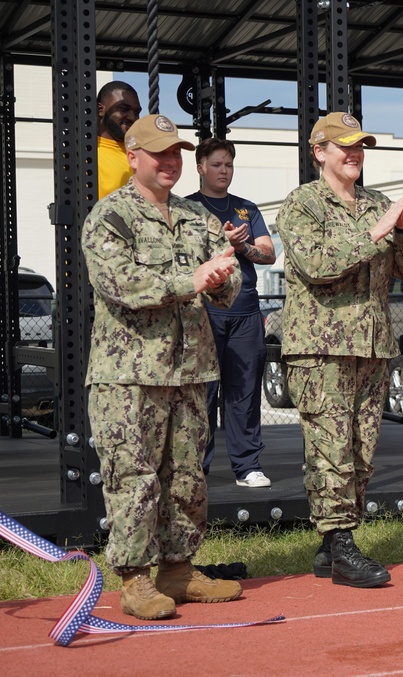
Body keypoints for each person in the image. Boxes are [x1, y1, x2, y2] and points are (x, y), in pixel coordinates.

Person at [82, 114, 244, 620]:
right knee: (135, 477)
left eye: (176, 153)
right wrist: (192, 279)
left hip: (190, 369)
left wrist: (219, 280)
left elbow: (228, 289)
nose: (170, 162)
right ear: (133, 157)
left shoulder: (198, 219)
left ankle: (178, 569)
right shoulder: (109, 217)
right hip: (129, 374)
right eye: (159, 153)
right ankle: (134, 580)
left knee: (187, 477)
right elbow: (122, 285)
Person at [274, 112, 403, 588]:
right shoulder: (303, 204)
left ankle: (329, 546)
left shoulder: (378, 204)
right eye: (345, 146)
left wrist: (400, 228)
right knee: (330, 451)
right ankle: (342, 544)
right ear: (320, 152)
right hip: (321, 349)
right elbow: (317, 264)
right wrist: (377, 230)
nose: (355, 154)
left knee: (361, 452)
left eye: (360, 146)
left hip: (372, 347)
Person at [187, 138, 276, 488]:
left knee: (244, 391)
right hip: (204, 313)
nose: (224, 171)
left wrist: (244, 247)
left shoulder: (245, 209)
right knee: (201, 394)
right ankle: (196, 468)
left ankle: (247, 465)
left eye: (229, 165)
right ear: (200, 168)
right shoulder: (187, 209)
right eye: (217, 165)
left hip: (245, 313)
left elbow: (269, 254)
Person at [96, 81, 142, 199]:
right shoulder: (85, 156)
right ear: (100, 109)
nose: (132, 117)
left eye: (136, 112)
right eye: (123, 109)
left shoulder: (143, 153)